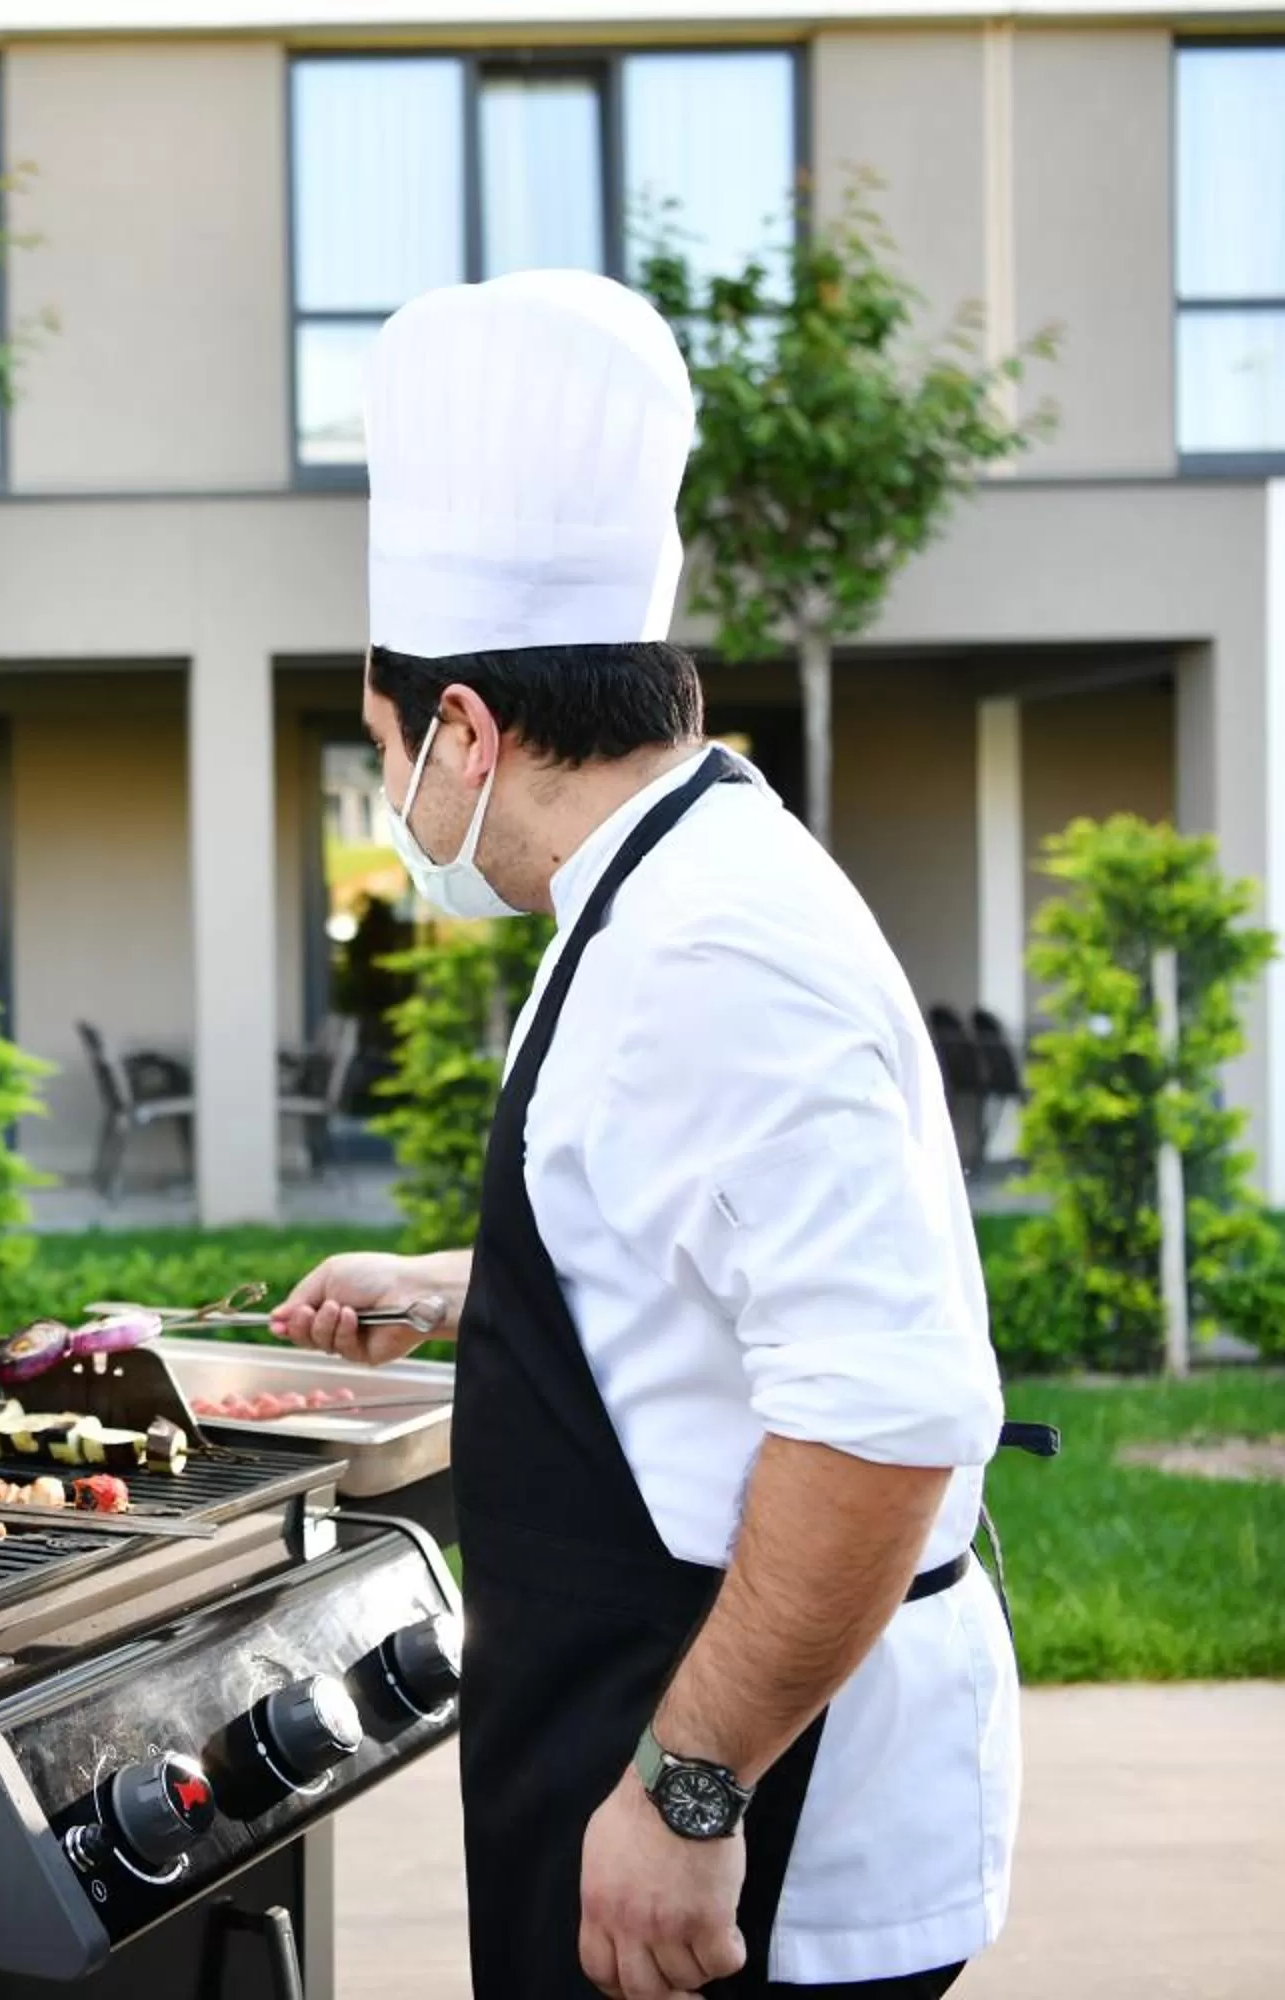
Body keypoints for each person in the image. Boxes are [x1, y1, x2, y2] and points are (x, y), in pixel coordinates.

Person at [270, 271, 1035, 2000]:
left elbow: (887, 1412)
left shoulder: (709, 947)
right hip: (658, 1734)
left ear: (464, 727)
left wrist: (690, 1791)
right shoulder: (666, 880)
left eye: (389, 755)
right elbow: (708, 1245)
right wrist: (478, 1286)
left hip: (759, 1811)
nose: (401, 810)